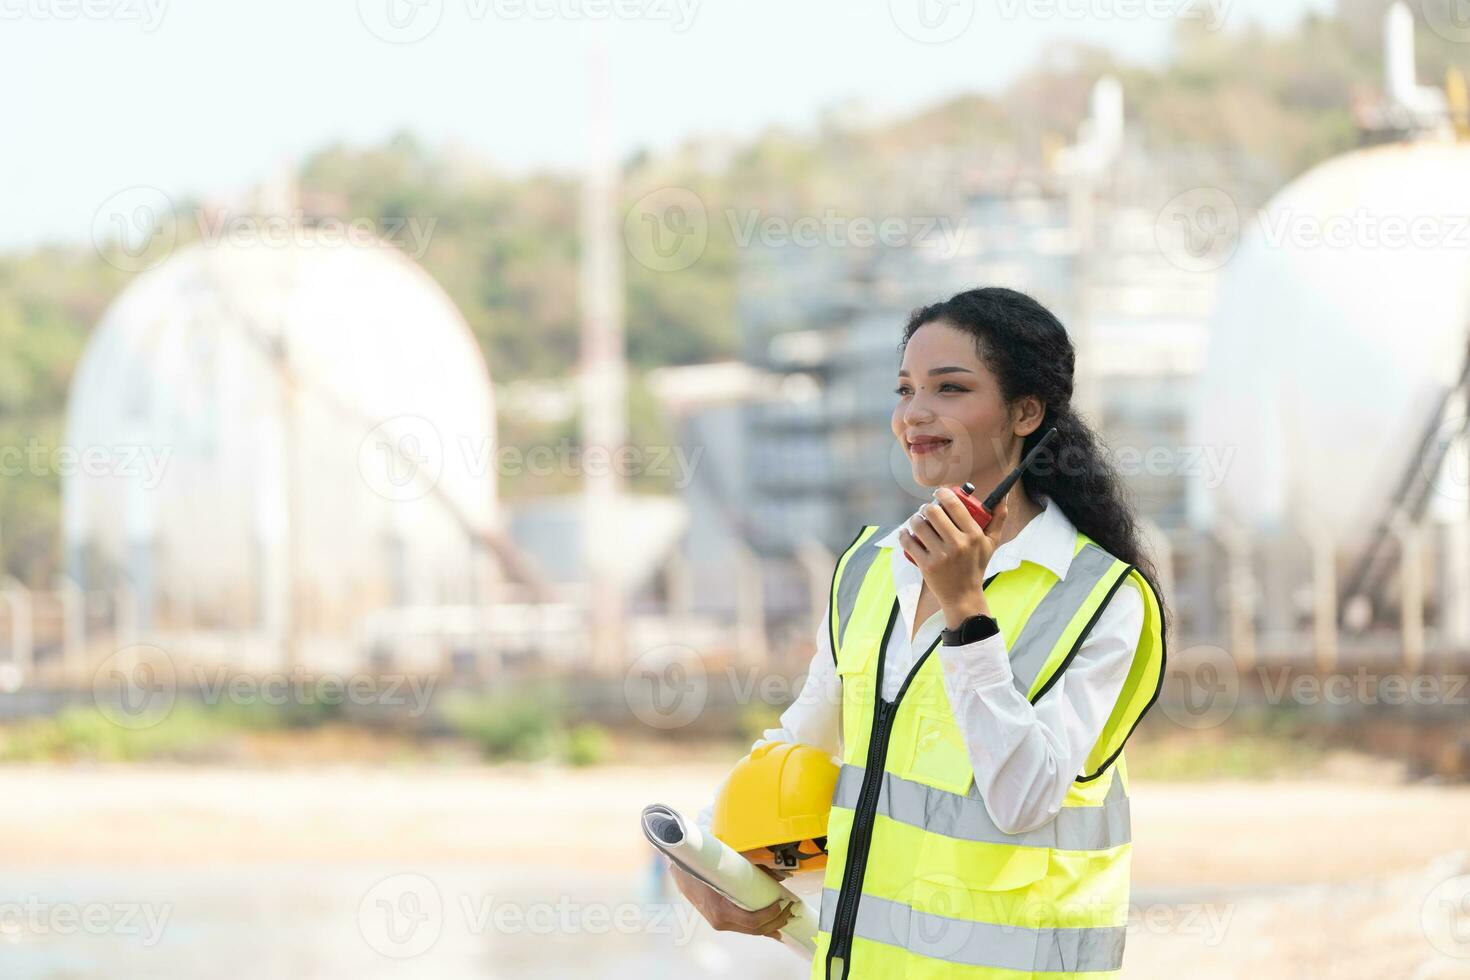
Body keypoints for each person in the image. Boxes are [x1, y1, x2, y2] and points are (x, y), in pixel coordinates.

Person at [672, 287, 1167, 979]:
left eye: (950, 388)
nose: (915, 414)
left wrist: (967, 610)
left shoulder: (1101, 597)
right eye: (905, 390)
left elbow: (1024, 799)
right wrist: (710, 851)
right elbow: (800, 742)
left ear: (1027, 412)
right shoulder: (872, 569)